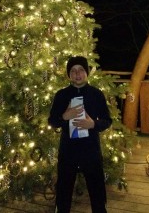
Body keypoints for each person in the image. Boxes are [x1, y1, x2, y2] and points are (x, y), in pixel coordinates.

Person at [48, 56, 112, 213]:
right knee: (64, 189)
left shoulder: (97, 95)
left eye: (81, 70)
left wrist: (93, 124)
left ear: (87, 72)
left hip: (91, 150)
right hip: (68, 150)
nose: (77, 74)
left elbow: (107, 120)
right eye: (73, 71)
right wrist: (64, 116)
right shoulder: (61, 95)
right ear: (69, 75)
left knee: (96, 188)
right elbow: (52, 121)